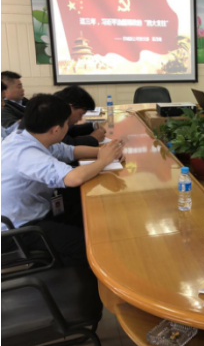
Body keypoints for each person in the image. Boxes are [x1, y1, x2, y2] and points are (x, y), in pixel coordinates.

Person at [1, 94, 123, 266]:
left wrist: (105, 152)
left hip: (30, 212)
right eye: (66, 123)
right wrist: (103, 161)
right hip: (17, 230)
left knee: (83, 210)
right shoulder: (26, 154)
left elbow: (70, 151)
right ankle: (69, 271)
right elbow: (73, 178)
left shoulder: (31, 136)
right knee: (92, 246)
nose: (69, 126)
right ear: (56, 130)